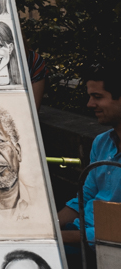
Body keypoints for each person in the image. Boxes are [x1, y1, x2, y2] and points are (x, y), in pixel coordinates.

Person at [59, 66, 121, 246]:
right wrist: (48, 227)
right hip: (81, 234)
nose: (90, 104)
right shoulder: (102, 142)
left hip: (107, 246)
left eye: (98, 97)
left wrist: (59, 238)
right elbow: (85, 197)